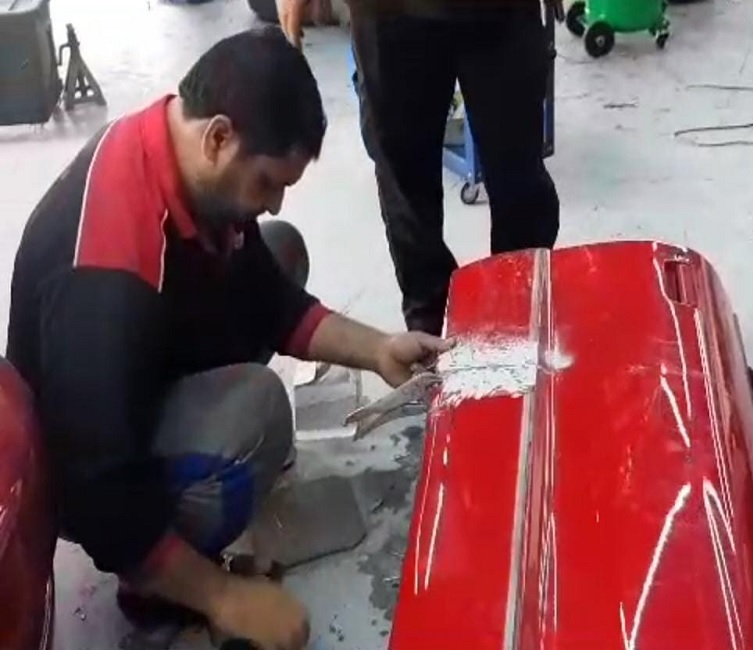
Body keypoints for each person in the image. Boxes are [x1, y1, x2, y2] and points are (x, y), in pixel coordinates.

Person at [5, 27, 451, 650]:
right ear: (218, 137)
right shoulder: (109, 267)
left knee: (282, 248)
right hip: (81, 466)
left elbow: (269, 298)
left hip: (133, 371)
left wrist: (379, 350)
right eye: (268, 182)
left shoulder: (174, 151)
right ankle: (155, 586)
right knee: (258, 410)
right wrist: (225, 597)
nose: (274, 202)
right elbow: (94, 490)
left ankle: (181, 516)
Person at [279, 0, 561, 336]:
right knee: (404, 186)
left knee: (519, 182)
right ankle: (430, 333)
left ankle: (521, 319)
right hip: (388, 12)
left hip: (502, 11)